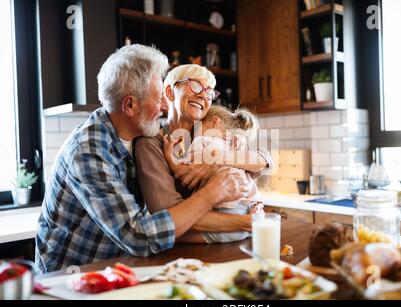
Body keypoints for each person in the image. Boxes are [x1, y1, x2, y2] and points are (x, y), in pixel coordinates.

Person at [35, 45, 248, 273]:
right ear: (129, 105)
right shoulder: (88, 151)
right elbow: (137, 236)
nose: (166, 106)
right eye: (159, 98)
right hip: (67, 280)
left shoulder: (140, 134)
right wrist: (213, 192)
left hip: (115, 269)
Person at [135, 64, 273, 241]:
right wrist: (245, 222)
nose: (203, 95)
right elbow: (168, 216)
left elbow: (265, 161)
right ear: (169, 92)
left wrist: (220, 158)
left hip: (235, 238)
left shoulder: (210, 133)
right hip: (187, 250)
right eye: (195, 85)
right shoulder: (151, 144)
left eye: (209, 92)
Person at [163, 105, 265, 243]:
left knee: (175, 239)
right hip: (252, 209)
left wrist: (170, 158)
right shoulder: (236, 145)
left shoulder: (202, 141)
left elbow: (184, 172)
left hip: (227, 213)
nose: (194, 133)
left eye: (198, 127)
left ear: (215, 121)